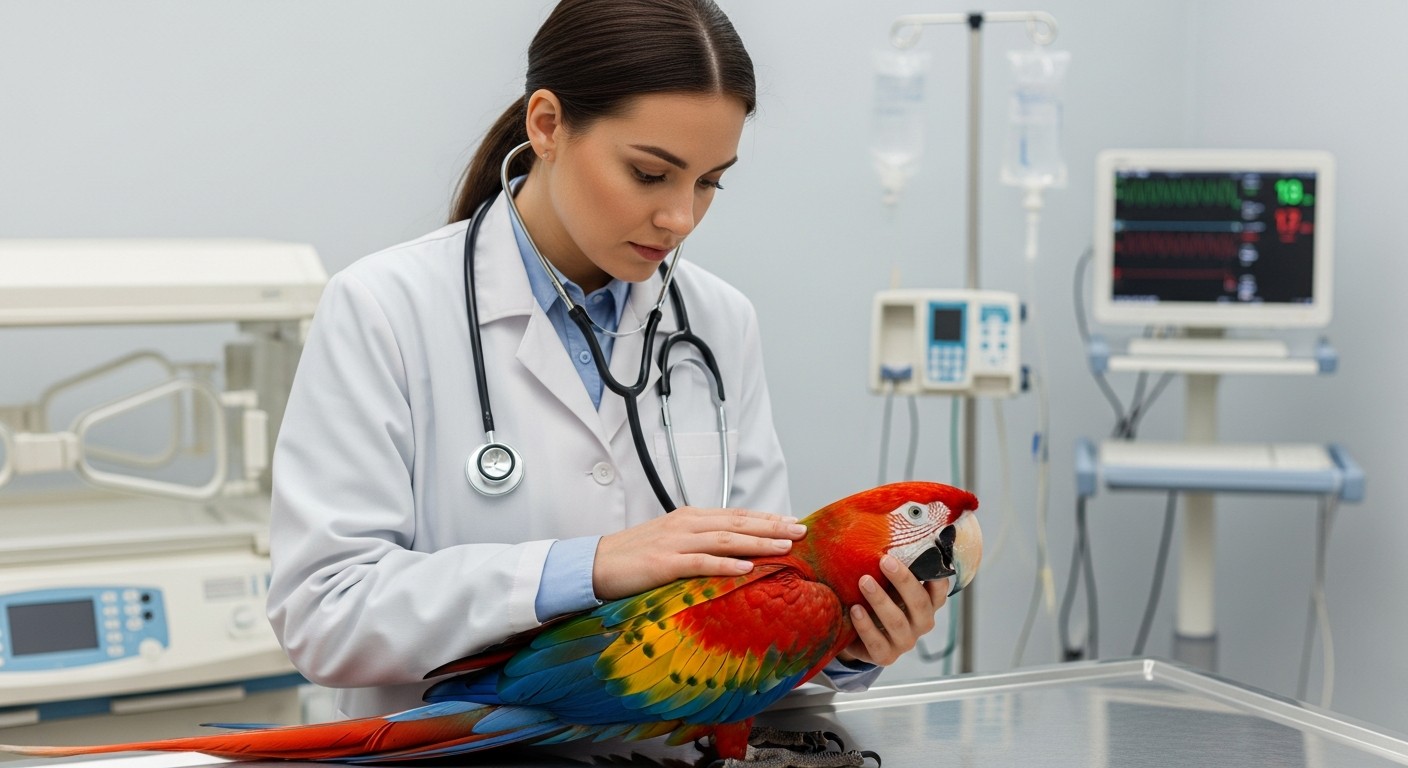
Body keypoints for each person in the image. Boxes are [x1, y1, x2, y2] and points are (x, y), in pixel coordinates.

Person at [267, 0, 950, 720]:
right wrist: (588, 567)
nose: (681, 218)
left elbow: (750, 603)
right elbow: (325, 612)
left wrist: (841, 643)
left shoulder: (718, 322)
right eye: (650, 174)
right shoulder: (384, 307)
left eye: (709, 182)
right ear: (547, 125)